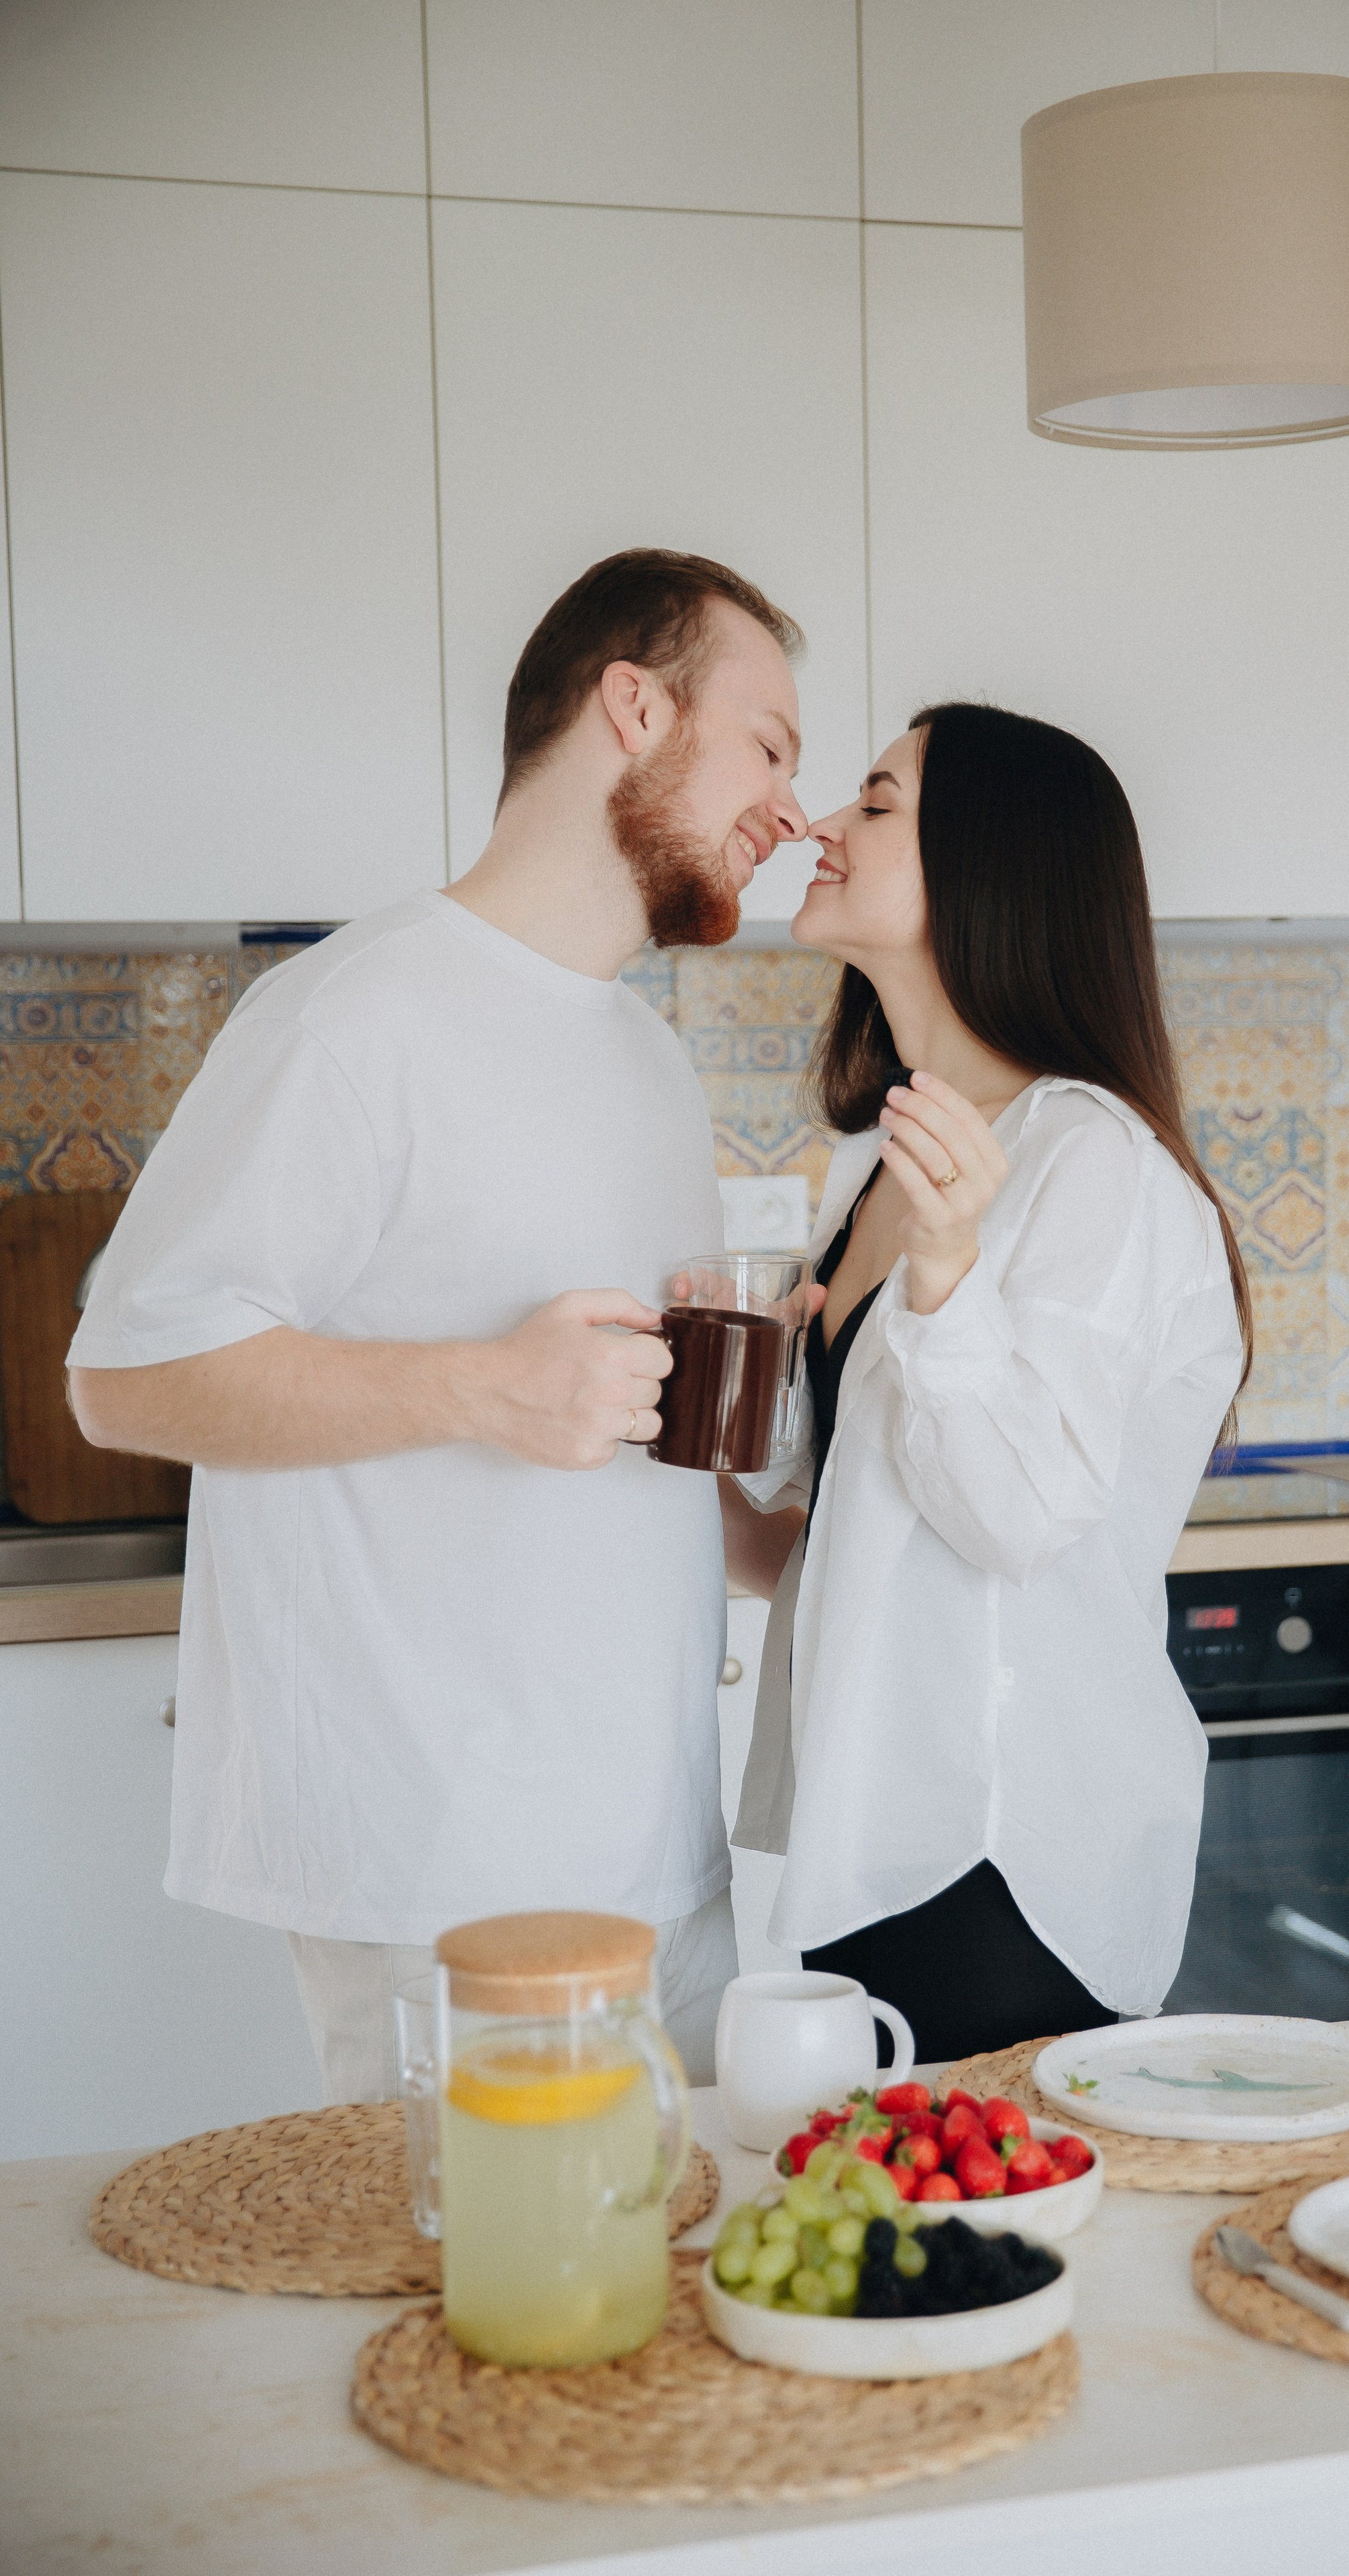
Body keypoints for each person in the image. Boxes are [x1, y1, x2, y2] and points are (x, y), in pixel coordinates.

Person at [68, 548, 810, 2097]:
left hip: (659, 1852)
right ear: (632, 704)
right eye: (769, 745)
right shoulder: (353, 1018)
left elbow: (619, 1439)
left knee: (666, 2319)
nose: (789, 809)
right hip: (439, 1875)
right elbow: (125, 1378)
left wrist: (780, 1488)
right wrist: (485, 1387)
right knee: (477, 2328)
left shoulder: (646, 1061)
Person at [723, 702, 1251, 2063]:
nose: (819, 829)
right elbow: (823, 1544)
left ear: (991, 868)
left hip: (999, 1847)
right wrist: (722, 1400)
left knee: (995, 2250)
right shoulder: (873, 1170)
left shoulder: (1094, 1166)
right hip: (871, 1825)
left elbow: (1014, 1515)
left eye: (875, 804)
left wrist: (949, 1269)